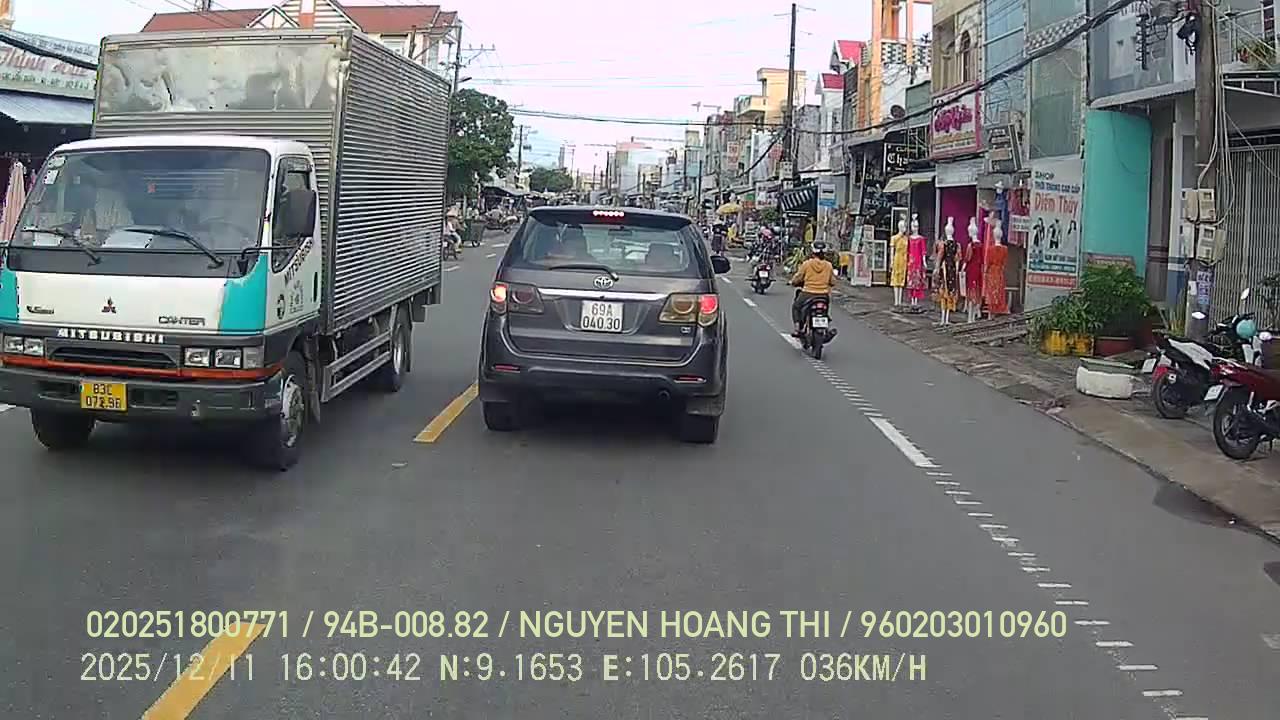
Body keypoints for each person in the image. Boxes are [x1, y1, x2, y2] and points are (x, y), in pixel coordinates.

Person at [790, 241, 836, 337]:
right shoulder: (828, 265)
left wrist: (793, 282)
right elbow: (833, 282)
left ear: (812, 252)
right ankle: (826, 327)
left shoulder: (807, 264)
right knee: (825, 310)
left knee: (796, 307)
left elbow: (798, 277)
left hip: (807, 293)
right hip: (823, 295)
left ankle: (797, 328)